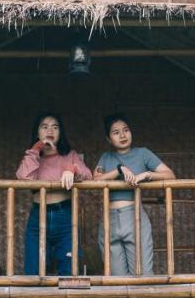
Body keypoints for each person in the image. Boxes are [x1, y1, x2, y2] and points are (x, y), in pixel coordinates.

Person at [92, 113, 176, 275]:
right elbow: (95, 181)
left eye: (126, 130)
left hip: (134, 216)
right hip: (109, 219)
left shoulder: (142, 153)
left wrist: (147, 175)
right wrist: (118, 170)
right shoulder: (106, 157)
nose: (122, 135)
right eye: (116, 132)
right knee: (117, 279)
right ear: (109, 139)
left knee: (143, 274)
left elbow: (170, 175)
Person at [16, 113, 91, 275]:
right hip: (38, 215)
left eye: (55, 127)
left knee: (68, 269)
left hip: (64, 215)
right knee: (33, 271)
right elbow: (23, 177)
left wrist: (72, 169)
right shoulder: (33, 156)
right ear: (37, 133)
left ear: (60, 133)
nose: (50, 130)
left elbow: (87, 174)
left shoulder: (69, 155)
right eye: (45, 126)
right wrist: (36, 149)